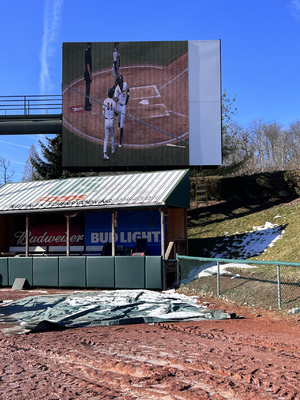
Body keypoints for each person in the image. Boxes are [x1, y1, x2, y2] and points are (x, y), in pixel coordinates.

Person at [102, 87, 118, 159]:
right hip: (111, 121)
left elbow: (103, 112)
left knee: (106, 137)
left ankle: (105, 153)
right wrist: (118, 113)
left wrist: (103, 119)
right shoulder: (114, 103)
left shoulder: (105, 101)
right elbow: (116, 113)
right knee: (112, 135)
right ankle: (112, 149)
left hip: (106, 120)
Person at [114, 75, 129, 147]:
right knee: (118, 118)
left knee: (122, 122)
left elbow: (128, 89)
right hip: (119, 105)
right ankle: (118, 124)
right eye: (120, 82)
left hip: (123, 106)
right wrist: (117, 100)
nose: (121, 83)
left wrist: (127, 98)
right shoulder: (117, 88)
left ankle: (120, 142)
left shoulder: (125, 85)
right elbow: (115, 98)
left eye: (121, 82)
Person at [84, 42, 92, 111]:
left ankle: (88, 102)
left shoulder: (87, 52)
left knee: (88, 89)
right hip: (87, 74)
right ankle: (86, 105)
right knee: (87, 89)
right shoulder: (88, 53)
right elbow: (88, 65)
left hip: (87, 73)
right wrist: (90, 75)